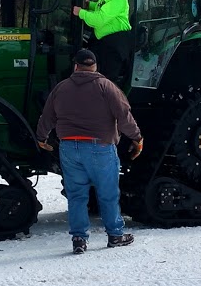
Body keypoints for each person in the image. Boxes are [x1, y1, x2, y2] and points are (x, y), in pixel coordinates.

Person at [36, 48, 143, 254]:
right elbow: (124, 116)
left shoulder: (61, 88)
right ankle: (115, 235)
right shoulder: (107, 87)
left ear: (76, 66)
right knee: (108, 194)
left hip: (69, 147)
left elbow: (47, 117)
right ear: (95, 67)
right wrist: (137, 137)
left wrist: (41, 138)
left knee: (76, 196)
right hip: (100, 147)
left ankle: (79, 239)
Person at [72, 0, 133, 85]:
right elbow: (103, 8)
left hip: (114, 44)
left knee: (106, 81)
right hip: (104, 41)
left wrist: (81, 13)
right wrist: (91, 5)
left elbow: (100, 19)